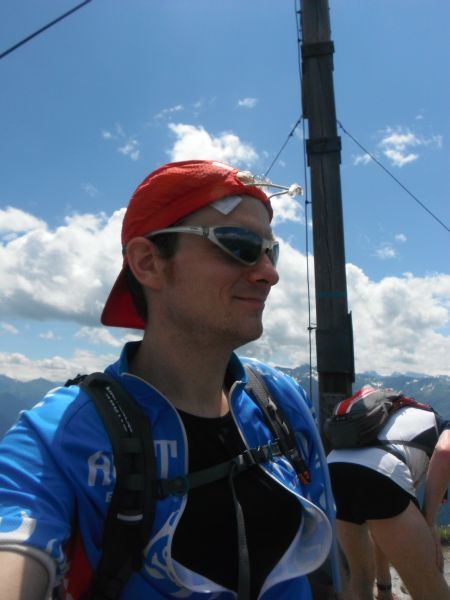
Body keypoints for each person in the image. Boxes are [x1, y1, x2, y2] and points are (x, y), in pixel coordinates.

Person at [0, 160, 339, 599]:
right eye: (238, 245)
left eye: (270, 252)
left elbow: (327, 554)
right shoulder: (59, 435)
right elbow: (15, 547)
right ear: (149, 263)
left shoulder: (280, 397)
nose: (269, 274)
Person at [327, 384, 450, 600]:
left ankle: (382, 593)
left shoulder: (398, 417)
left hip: (333, 470)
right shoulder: (443, 424)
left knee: (360, 579)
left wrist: (384, 589)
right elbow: (445, 451)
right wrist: (429, 525)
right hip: (382, 472)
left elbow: (382, 526)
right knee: (430, 591)